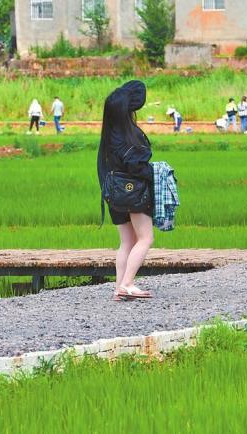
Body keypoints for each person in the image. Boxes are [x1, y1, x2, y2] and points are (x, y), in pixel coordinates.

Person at [97, 80, 154, 300]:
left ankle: (119, 287)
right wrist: (154, 173)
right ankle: (128, 283)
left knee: (126, 242)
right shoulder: (132, 136)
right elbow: (138, 167)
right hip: (134, 194)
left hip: (114, 194)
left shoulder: (109, 136)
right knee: (145, 238)